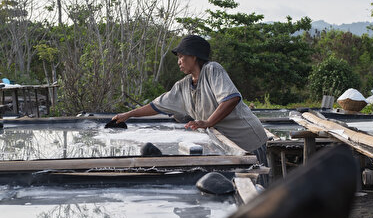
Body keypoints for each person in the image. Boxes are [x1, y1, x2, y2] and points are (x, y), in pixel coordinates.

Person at [111, 35, 268, 164]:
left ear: (194, 56)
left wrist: (208, 122)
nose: (179, 61)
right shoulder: (183, 85)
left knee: (255, 189)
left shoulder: (212, 70)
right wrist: (128, 115)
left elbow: (230, 99)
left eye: (181, 57)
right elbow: (157, 105)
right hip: (226, 144)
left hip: (248, 140)